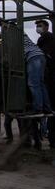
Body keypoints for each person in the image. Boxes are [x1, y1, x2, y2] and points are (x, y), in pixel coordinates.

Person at [35, 19, 55, 149]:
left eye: (40, 25)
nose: (38, 28)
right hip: (48, 75)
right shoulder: (47, 38)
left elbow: (42, 54)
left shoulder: (47, 37)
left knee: (50, 109)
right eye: (37, 26)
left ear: (47, 27)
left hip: (49, 76)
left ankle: (51, 139)